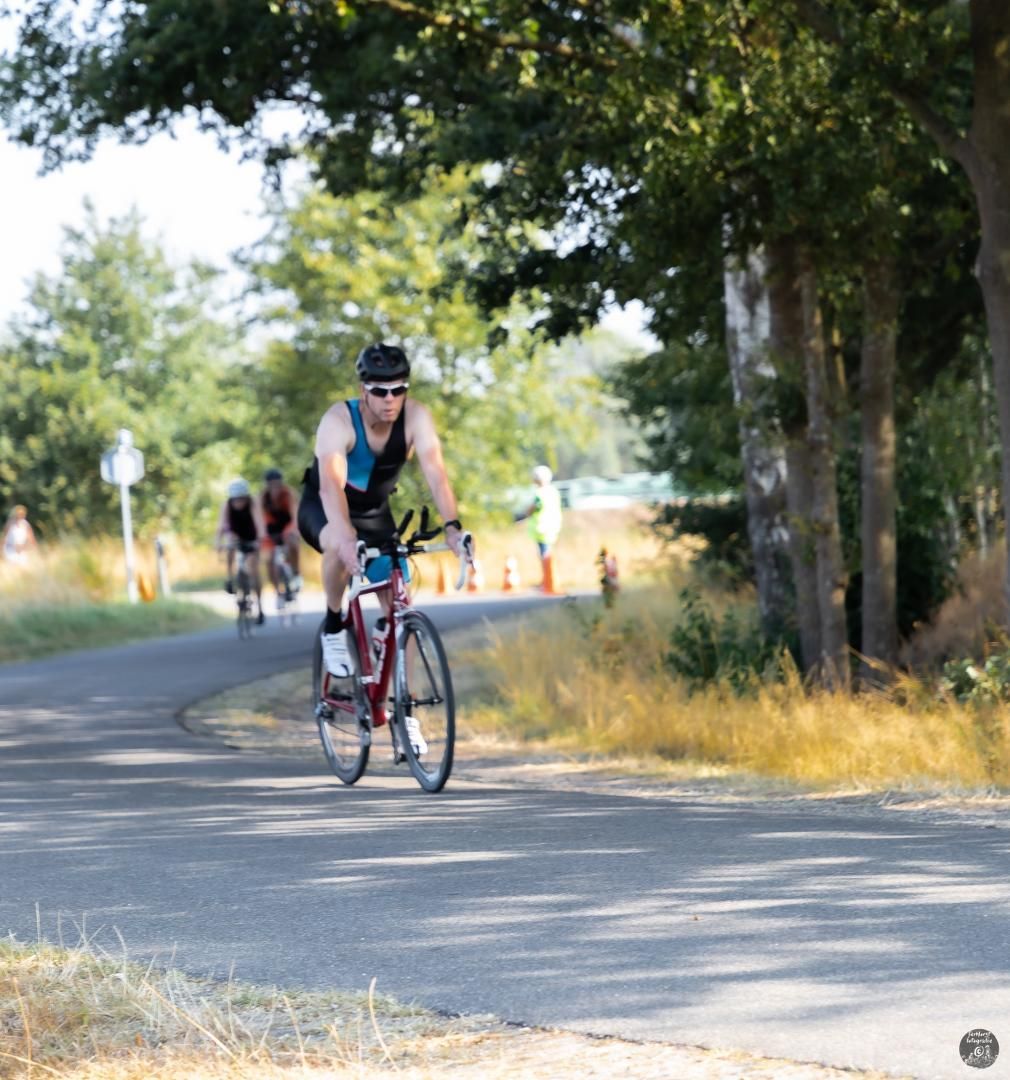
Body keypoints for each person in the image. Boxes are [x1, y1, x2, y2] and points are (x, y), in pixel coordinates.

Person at [298, 342, 471, 678]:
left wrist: (453, 527)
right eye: (380, 390)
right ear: (364, 390)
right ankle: (334, 627)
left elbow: (437, 476)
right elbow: (330, 485)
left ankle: (404, 714)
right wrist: (347, 538)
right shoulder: (339, 420)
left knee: (401, 610)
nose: (390, 399)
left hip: (375, 512)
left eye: (399, 389)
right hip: (325, 507)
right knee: (337, 541)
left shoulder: (416, 418)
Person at [214, 478, 266, 624]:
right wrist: (218, 543)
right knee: (230, 547)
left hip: (251, 537)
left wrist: (260, 539)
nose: (239, 503)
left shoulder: (253, 503)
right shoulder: (227, 505)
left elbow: (260, 523)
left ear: (246, 497)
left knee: (252, 569)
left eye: (241, 499)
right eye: (236, 500)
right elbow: (221, 526)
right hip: (235, 535)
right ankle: (230, 578)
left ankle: (260, 607)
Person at [515, 465, 563, 590]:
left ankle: (548, 581)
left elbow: (534, 507)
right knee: (547, 554)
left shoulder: (540, 493)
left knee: (545, 555)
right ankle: (548, 580)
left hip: (542, 528)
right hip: (553, 526)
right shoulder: (553, 491)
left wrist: (524, 515)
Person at [260, 467, 302, 603]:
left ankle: (296, 574)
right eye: (271, 484)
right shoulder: (262, 497)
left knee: (292, 543)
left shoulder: (288, 494)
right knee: (268, 559)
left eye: (277, 483)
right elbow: (259, 519)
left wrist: (293, 530)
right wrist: (262, 534)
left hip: (287, 526)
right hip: (270, 529)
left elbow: (295, 515)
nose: (275, 487)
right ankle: (277, 591)